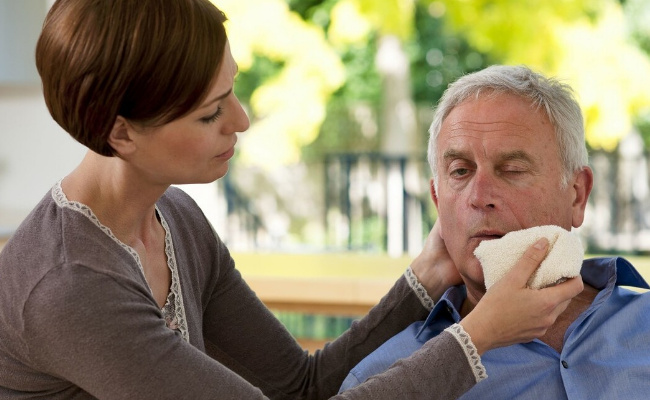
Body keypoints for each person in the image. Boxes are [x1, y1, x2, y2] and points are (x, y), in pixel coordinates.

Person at [0, 2, 583, 399]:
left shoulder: (173, 216)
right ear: (122, 133)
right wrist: (478, 337)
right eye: (210, 114)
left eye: (231, 90)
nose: (242, 120)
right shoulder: (70, 289)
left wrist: (425, 278)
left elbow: (300, 387)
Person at [338, 65, 650, 399]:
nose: (480, 196)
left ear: (577, 194)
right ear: (437, 201)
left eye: (512, 170)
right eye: (460, 171)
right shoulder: (382, 380)